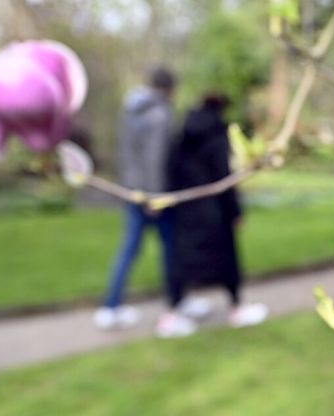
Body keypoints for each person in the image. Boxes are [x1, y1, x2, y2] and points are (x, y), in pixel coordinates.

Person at [162, 94, 268, 335]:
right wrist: (235, 212)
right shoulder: (217, 138)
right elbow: (225, 178)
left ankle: (175, 309)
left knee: (182, 261)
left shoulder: (183, 134)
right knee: (227, 261)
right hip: (213, 212)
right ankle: (237, 306)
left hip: (186, 209)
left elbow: (170, 170)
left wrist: (171, 200)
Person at [93, 67, 177, 331]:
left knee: (129, 250)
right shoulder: (159, 114)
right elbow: (153, 159)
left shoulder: (131, 109)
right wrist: (153, 197)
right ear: (169, 89)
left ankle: (111, 307)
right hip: (151, 196)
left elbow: (129, 154)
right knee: (170, 250)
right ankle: (175, 305)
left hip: (130, 191)